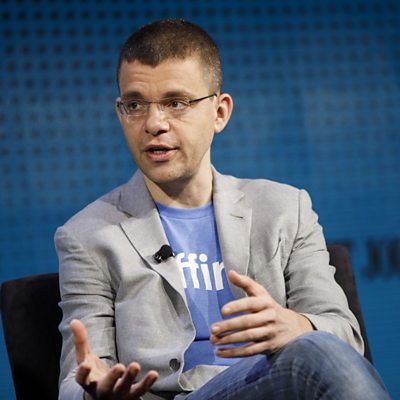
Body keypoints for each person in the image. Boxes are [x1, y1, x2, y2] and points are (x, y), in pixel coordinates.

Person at [56, 19, 391, 400]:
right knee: (310, 354)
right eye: (134, 105)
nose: (153, 123)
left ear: (219, 112)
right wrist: (93, 393)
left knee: (312, 349)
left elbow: (345, 337)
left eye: (176, 103)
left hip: (276, 386)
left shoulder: (284, 209)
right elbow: (76, 377)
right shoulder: (88, 235)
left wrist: (296, 326)